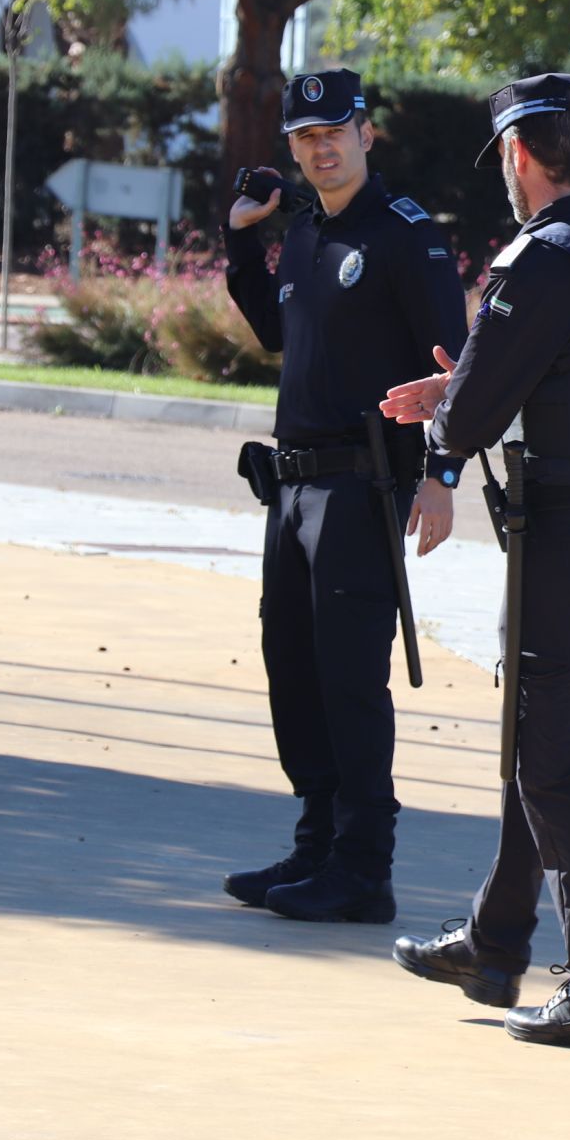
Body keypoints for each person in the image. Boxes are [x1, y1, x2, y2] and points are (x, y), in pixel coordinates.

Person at [381, 73, 570, 1052]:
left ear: (518, 156)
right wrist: (469, 378)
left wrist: (449, 418)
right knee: (538, 737)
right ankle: (495, 939)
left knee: (550, 761)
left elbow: (472, 416)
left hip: (566, 543)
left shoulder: (539, 261)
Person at [221, 68, 469, 924]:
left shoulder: (405, 236)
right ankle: (316, 845)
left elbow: (458, 371)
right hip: (291, 489)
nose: (320, 148)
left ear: (367, 133)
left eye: (335, 131)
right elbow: (279, 333)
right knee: (292, 670)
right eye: (303, 137)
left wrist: (442, 476)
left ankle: (364, 867)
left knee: (350, 679)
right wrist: (243, 245)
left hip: (362, 489)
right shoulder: (302, 234)